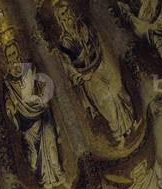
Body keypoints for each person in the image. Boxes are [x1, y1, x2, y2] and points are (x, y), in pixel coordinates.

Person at [54, 1, 137, 144]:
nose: (67, 16)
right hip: (88, 77)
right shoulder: (64, 43)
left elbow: (97, 40)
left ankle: (130, 123)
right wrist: (82, 76)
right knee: (106, 101)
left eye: (67, 11)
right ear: (60, 20)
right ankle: (119, 136)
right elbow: (68, 67)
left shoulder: (83, 26)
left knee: (117, 91)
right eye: (63, 15)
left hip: (101, 65)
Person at [2, 43, 66, 189]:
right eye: (9, 55)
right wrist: (10, 107)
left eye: (14, 53)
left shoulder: (30, 69)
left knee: (51, 147)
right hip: (26, 122)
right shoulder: (7, 81)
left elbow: (41, 89)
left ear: (18, 53)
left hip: (41, 114)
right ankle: (46, 183)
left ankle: (60, 176)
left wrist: (39, 98)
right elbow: (7, 101)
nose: (13, 58)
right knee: (36, 155)